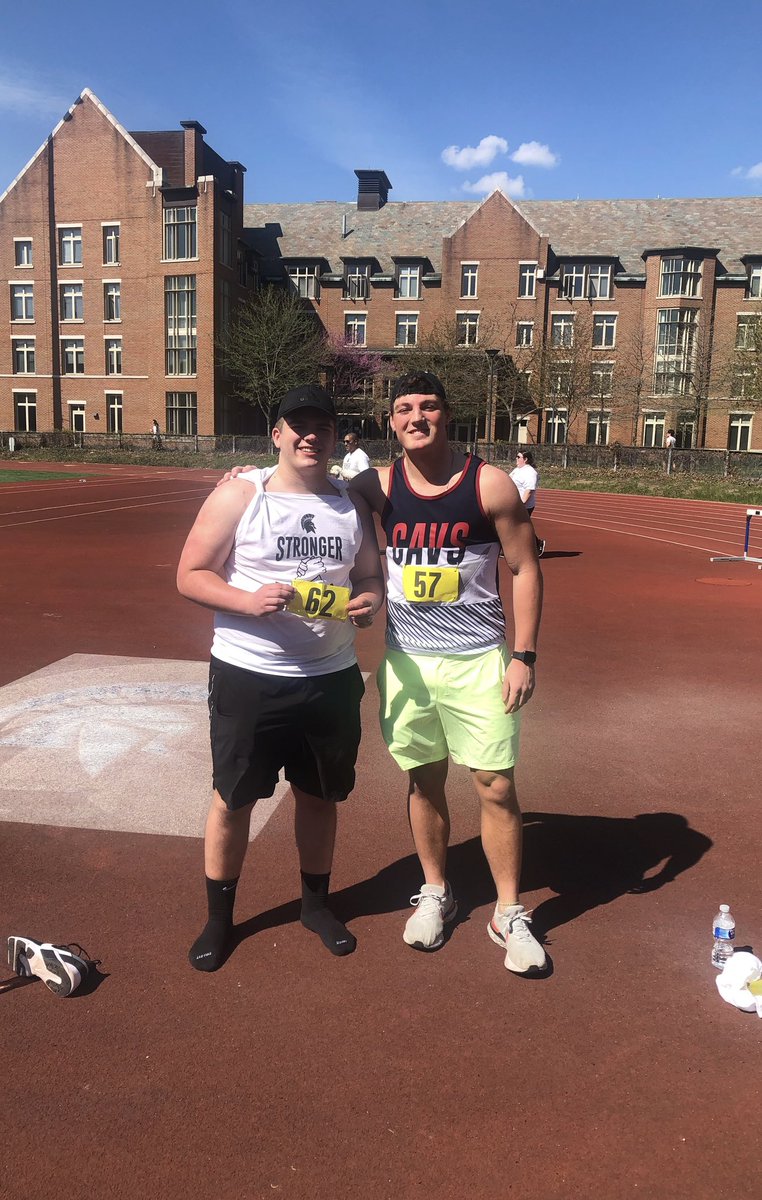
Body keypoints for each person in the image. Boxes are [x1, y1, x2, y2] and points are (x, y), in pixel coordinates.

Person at [222, 370, 546, 976]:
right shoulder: (373, 485)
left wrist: (523, 656)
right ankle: (436, 891)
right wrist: (246, 476)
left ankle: (509, 911)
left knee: (495, 785)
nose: (415, 417)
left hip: (479, 658)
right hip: (409, 662)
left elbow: (525, 568)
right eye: (403, 409)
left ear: (447, 415)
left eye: (427, 406)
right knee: (424, 782)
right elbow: (301, 475)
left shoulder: (490, 484)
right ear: (390, 423)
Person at [177, 383, 384, 972]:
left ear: (334, 436)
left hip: (331, 677)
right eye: (298, 425)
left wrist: (369, 601)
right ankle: (219, 920)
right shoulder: (242, 494)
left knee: (320, 797)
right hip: (250, 675)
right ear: (277, 434)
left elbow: (370, 577)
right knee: (233, 800)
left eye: (320, 426)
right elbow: (190, 574)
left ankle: (315, 906)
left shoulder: (349, 504)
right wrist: (248, 601)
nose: (309, 435)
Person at [509, 449, 545, 557]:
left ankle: (536, 544)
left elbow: (529, 490)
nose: (516, 459)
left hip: (524, 505)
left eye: (518, 457)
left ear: (525, 459)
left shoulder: (530, 472)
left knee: (519, 526)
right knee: (518, 526)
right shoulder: (517, 470)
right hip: (514, 503)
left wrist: (521, 504)